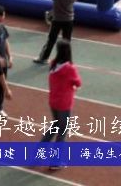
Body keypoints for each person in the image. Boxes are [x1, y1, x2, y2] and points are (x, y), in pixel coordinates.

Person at [40, 40, 82, 170]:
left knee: (55, 126)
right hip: (64, 104)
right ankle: (55, 161)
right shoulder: (69, 68)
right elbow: (78, 82)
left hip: (53, 101)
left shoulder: (53, 63)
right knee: (62, 131)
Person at [35, 0, 77, 64]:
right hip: (68, 19)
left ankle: (43, 58)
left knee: (51, 40)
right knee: (67, 41)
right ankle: (66, 60)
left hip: (57, 18)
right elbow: (73, 0)